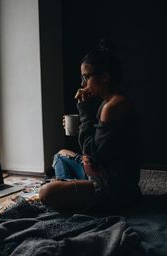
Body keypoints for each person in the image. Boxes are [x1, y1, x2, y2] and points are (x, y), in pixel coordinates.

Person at [39, 39, 141, 213]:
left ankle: (68, 191)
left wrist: (83, 113)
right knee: (60, 155)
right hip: (100, 170)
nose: (83, 84)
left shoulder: (113, 107)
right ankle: (70, 190)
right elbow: (101, 149)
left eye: (86, 76)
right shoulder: (108, 102)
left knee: (46, 193)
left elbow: (91, 150)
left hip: (112, 189)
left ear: (105, 77)